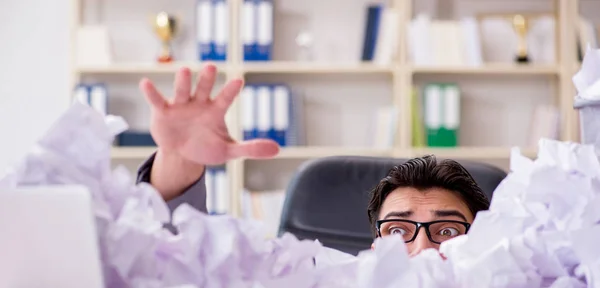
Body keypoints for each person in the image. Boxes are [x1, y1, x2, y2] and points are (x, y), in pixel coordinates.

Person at [136, 66, 490, 256]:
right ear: (373, 250)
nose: (423, 247)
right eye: (397, 231)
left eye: (448, 232)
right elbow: (172, 265)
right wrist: (179, 160)